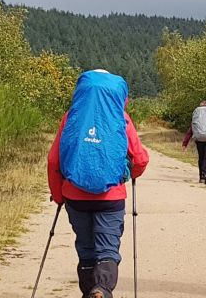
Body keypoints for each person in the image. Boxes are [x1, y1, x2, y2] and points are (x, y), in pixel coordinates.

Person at [47, 70, 150, 298]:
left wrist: (58, 195)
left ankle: (89, 292)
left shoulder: (71, 116)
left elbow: (54, 159)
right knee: (107, 249)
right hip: (111, 198)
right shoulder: (120, 117)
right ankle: (101, 289)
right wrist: (124, 175)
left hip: (75, 196)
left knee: (85, 249)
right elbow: (140, 158)